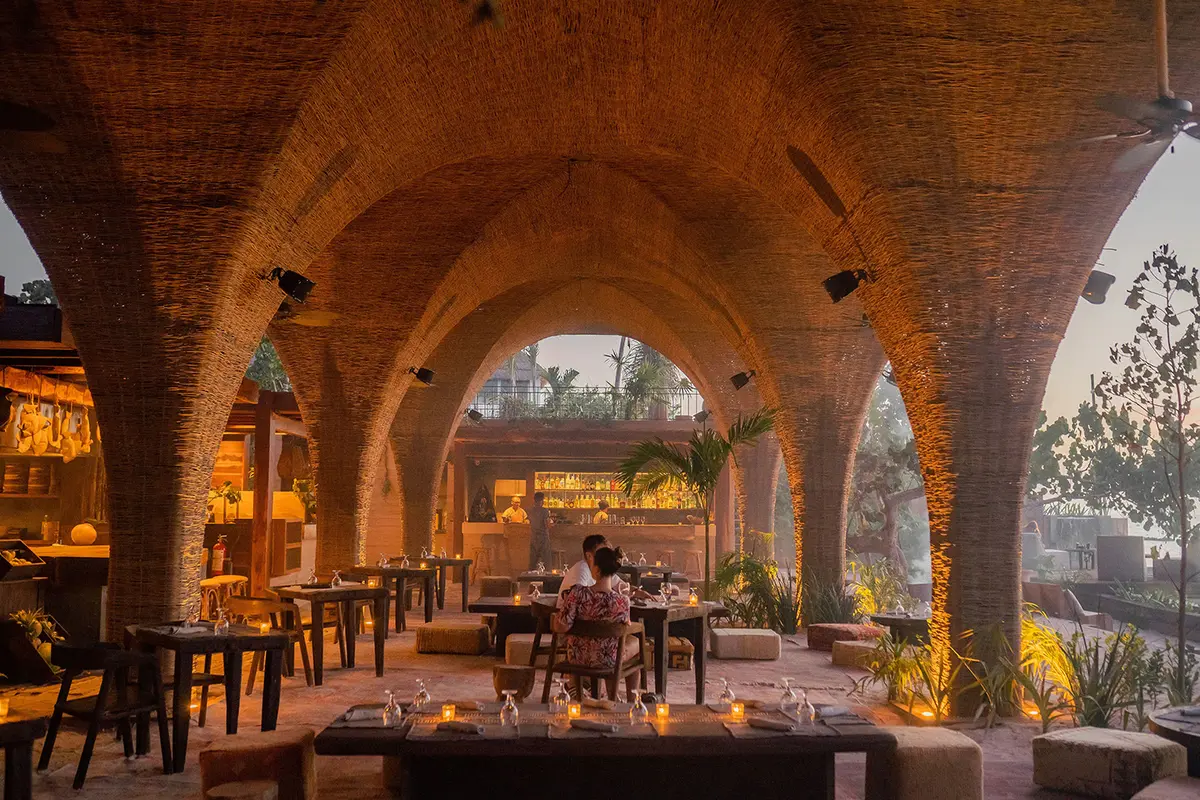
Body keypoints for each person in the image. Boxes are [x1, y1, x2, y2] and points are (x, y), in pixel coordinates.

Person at [552, 545, 641, 700]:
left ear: (597, 570)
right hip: (608, 660)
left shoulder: (577, 593)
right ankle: (629, 701)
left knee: (620, 644)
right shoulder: (622, 601)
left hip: (577, 657)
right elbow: (623, 629)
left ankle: (603, 694)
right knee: (636, 644)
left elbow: (562, 626)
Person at [527, 491, 552, 569]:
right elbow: (547, 525)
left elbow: (528, 522)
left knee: (533, 562)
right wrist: (551, 524)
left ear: (534, 500)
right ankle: (548, 579)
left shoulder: (530, 510)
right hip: (543, 538)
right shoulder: (545, 511)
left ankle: (530, 579)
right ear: (542, 500)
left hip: (533, 538)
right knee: (546, 561)